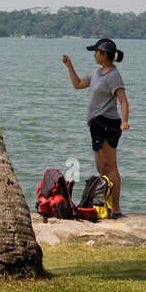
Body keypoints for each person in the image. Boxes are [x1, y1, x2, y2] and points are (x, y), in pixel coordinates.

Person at [62, 39, 129, 218]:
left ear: (105, 54)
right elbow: (77, 85)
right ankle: (104, 206)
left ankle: (116, 209)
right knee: (101, 167)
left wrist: (125, 120)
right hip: (95, 123)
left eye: (96, 52)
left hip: (108, 123)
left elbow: (122, 99)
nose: (94, 54)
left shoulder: (113, 75)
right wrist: (70, 66)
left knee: (110, 166)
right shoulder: (96, 74)